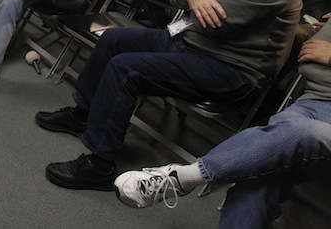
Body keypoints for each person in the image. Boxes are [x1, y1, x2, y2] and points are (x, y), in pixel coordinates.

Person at [36, 0, 302, 192]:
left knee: (127, 68)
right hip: (193, 43)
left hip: (231, 69)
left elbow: (215, 21)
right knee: (112, 40)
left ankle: (100, 163)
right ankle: (83, 113)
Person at [114, 20, 331, 229]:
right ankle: (183, 179)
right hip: (315, 99)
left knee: (302, 132)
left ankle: (184, 178)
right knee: (260, 178)